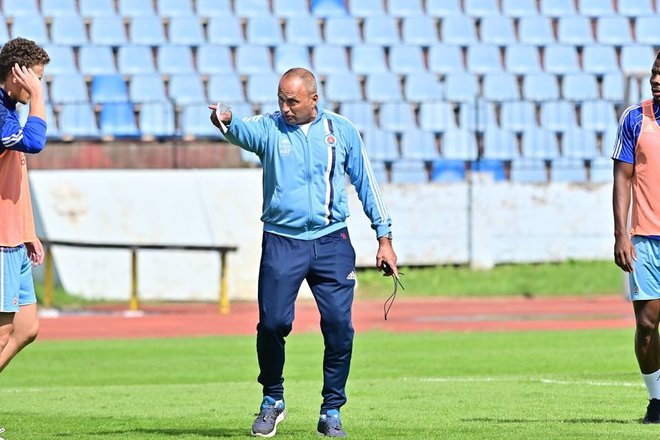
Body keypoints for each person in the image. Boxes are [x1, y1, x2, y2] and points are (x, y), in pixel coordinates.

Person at [209, 67, 398, 437]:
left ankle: (331, 410)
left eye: (292, 100)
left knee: (340, 327)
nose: (285, 107)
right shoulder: (270, 127)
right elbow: (240, 131)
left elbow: (365, 182)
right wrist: (226, 121)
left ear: (314, 99)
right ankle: (272, 400)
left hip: (332, 242)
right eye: (280, 98)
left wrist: (384, 237)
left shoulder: (341, 131)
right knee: (274, 323)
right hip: (283, 241)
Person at [612, 51, 660, 424]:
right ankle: (657, 401)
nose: (655, 81)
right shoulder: (634, 119)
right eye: (654, 74)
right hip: (643, 238)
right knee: (646, 324)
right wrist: (621, 235)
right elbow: (623, 179)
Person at [0, 37, 50, 383]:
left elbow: (16, 175)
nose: (38, 85)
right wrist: (39, 98)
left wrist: (28, 231)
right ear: (18, 74)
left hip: (15, 236)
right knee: (2, 333)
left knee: (27, 328)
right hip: (0, 239)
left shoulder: (11, 111)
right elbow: (34, 143)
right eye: (37, 78)